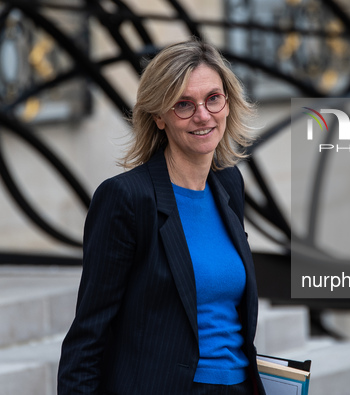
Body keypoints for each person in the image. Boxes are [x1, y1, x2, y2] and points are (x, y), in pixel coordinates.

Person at [58, 39, 265, 395]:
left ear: (228, 104)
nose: (203, 115)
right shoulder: (126, 198)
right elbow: (89, 332)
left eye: (213, 98)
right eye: (183, 105)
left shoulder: (229, 184)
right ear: (159, 116)